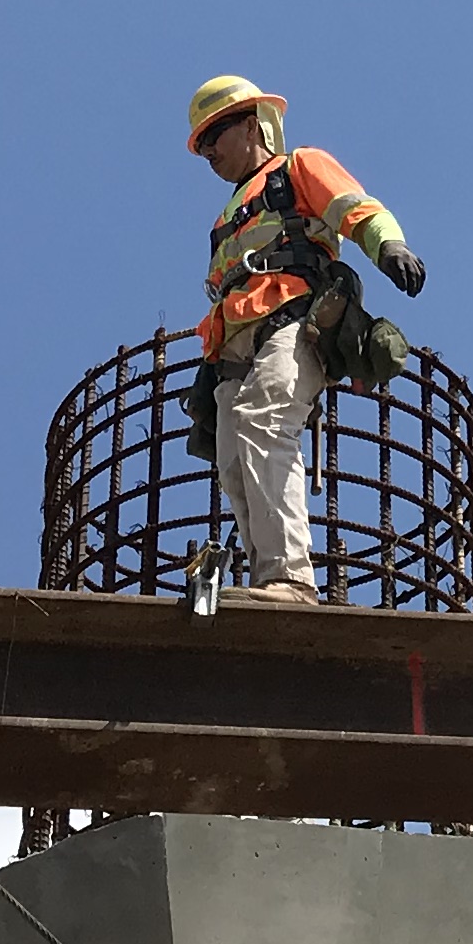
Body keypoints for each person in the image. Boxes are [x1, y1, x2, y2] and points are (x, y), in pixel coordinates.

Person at [179, 74, 427, 606]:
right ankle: (268, 576)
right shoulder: (226, 218)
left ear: (251, 126)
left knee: (263, 422)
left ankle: (289, 580)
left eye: (214, 137)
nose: (208, 153)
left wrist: (389, 246)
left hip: (291, 323)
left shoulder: (297, 168)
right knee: (231, 458)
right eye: (201, 146)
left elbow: (355, 207)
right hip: (231, 349)